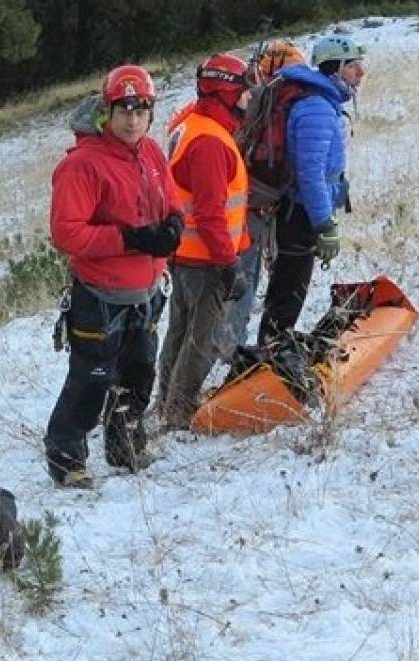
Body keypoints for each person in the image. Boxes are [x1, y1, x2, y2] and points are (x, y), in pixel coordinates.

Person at [44, 64, 184, 488]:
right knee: (91, 380)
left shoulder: (153, 153)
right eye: (123, 108)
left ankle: (126, 443)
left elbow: (172, 200)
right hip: (100, 296)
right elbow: (67, 232)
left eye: (141, 109)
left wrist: (174, 224)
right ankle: (66, 458)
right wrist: (130, 238)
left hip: (146, 292)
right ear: (106, 110)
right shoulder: (82, 165)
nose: (132, 118)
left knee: (139, 373)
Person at [157, 53, 252, 429]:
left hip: (185, 256)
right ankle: (179, 413)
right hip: (207, 260)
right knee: (203, 339)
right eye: (244, 89)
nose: (249, 97)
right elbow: (211, 213)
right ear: (226, 92)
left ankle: (165, 403)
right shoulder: (211, 143)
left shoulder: (189, 124)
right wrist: (229, 264)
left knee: (179, 332)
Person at [257, 36, 366, 348]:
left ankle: (272, 352)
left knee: (288, 289)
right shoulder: (316, 108)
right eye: (353, 66)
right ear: (336, 69)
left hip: (301, 212)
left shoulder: (321, 101)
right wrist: (324, 224)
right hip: (300, 215)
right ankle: (268, 360)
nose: (360, 72)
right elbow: (310, 174)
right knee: (287, 293)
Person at [226, 39, 308, 350]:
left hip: (247, 204)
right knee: (244, 282)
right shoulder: (287, 102)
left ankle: (232, 347)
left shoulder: (259, 102)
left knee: (241, 283)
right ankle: (232, 349)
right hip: (261, 206)